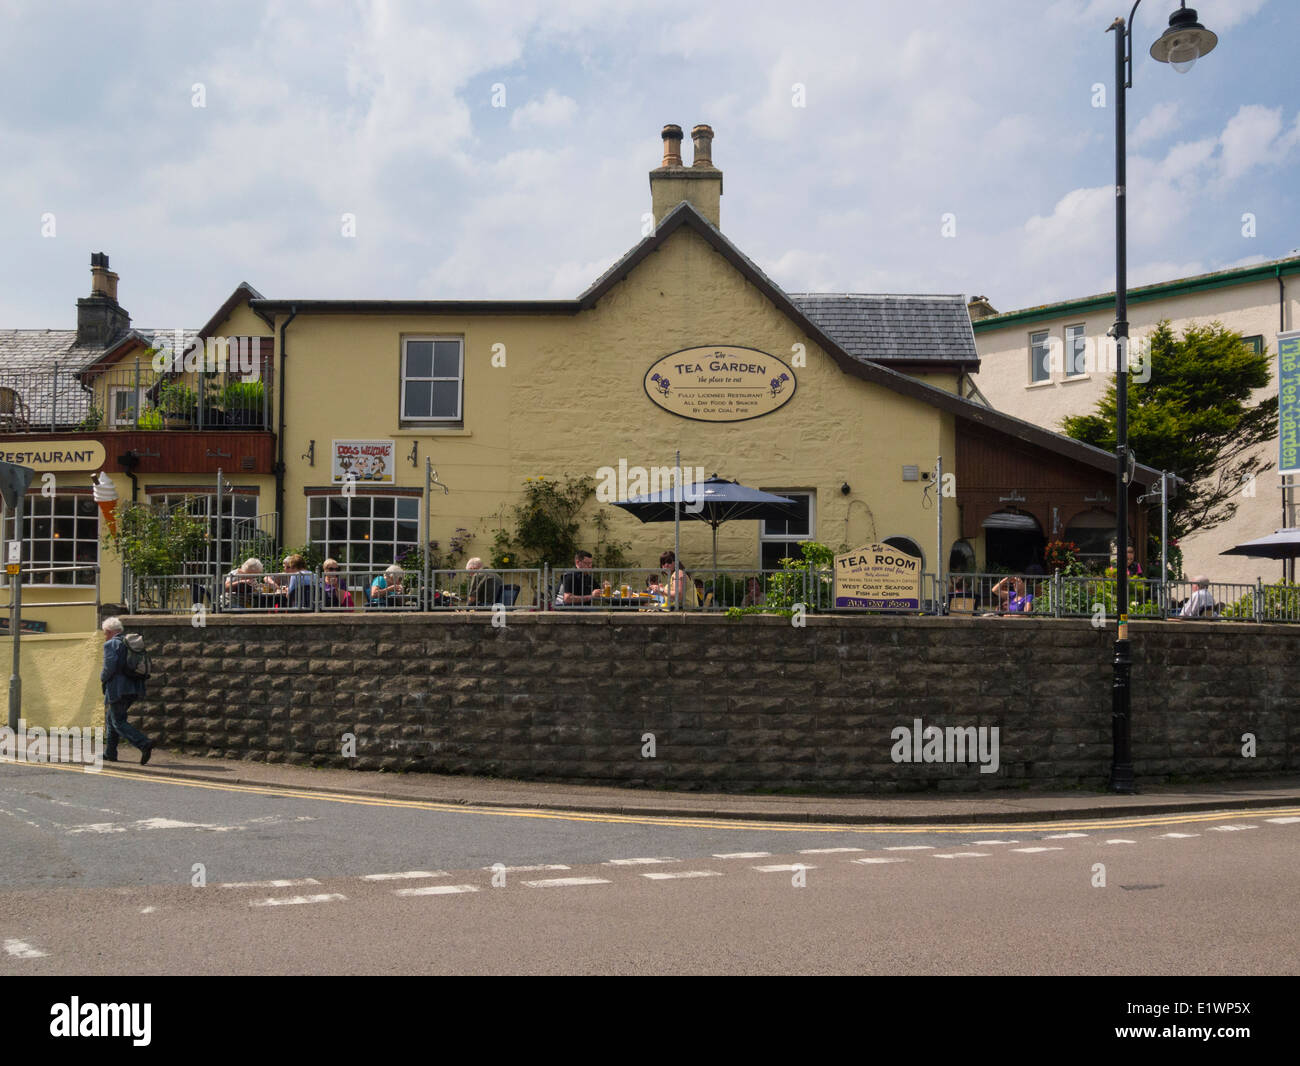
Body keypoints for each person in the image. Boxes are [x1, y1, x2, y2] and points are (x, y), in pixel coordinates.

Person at [100, 617, 153, 765]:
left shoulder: (111, 644)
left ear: (109, 632)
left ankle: (144, 743)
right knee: (111, 720)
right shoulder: (129, 643)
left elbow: (109, 668)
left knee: (118, 722)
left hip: (118, 689)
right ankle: (110, 753)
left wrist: (102, 678)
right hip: (134, 688)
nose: (105, 636)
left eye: (105, 633)